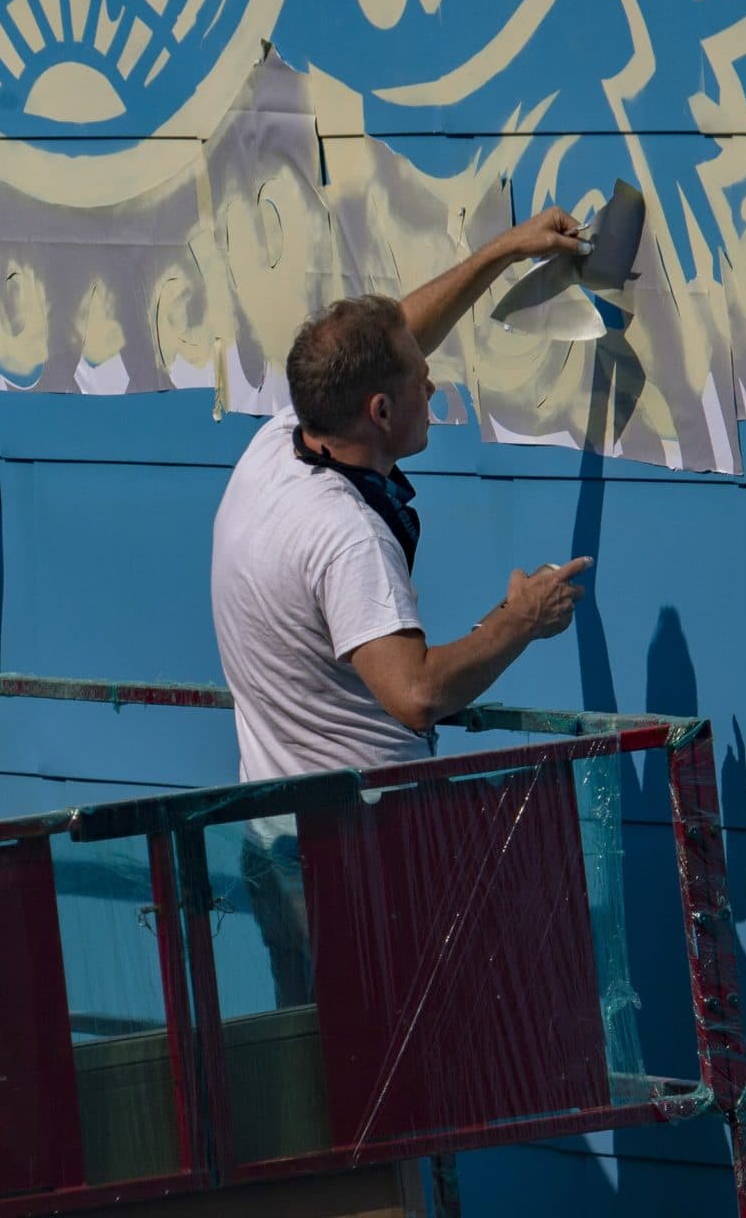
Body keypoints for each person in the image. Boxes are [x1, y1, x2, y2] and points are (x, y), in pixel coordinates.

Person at [210, 209, 597, 1008]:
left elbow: (392, 337)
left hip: (278, 841)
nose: (435, 381)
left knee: (322, 1082)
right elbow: (414, 692)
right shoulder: (348, 538)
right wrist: (520, 621)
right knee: (385, 1095)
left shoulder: (281, 444)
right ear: (380, 413)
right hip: (353, 862)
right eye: (420, 378)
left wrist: (501, 250)